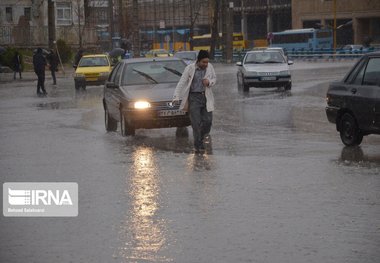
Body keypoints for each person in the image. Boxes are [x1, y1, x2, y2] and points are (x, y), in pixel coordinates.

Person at [172, 50, 216, 153]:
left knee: (208, 121)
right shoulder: (190, 69)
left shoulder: (210, 67)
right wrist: (176, 96)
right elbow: (181, 83)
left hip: (205, 97)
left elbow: (214, 78)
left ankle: (203, 136)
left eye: (207, 62)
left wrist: (209, 82)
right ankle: (198, 146)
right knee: (196, 123)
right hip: (193, 98)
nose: (206, 64)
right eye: (203, 62)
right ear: (198, 61)